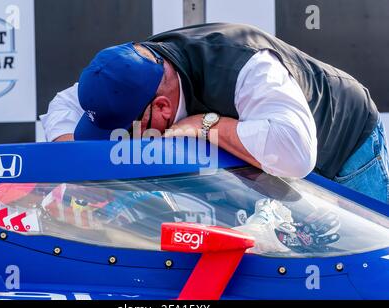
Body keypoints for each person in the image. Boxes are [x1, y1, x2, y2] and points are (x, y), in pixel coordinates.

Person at [40, 23, 389, 203]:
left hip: (344, 143)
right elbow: (62, 105)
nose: (121, 141)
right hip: (277, 155)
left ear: (161, 108)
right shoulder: (125, 73)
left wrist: (208, 125)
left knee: (367, 264)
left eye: (128, 131)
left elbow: (296, 155)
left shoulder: (247, 67)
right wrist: (80, 160)